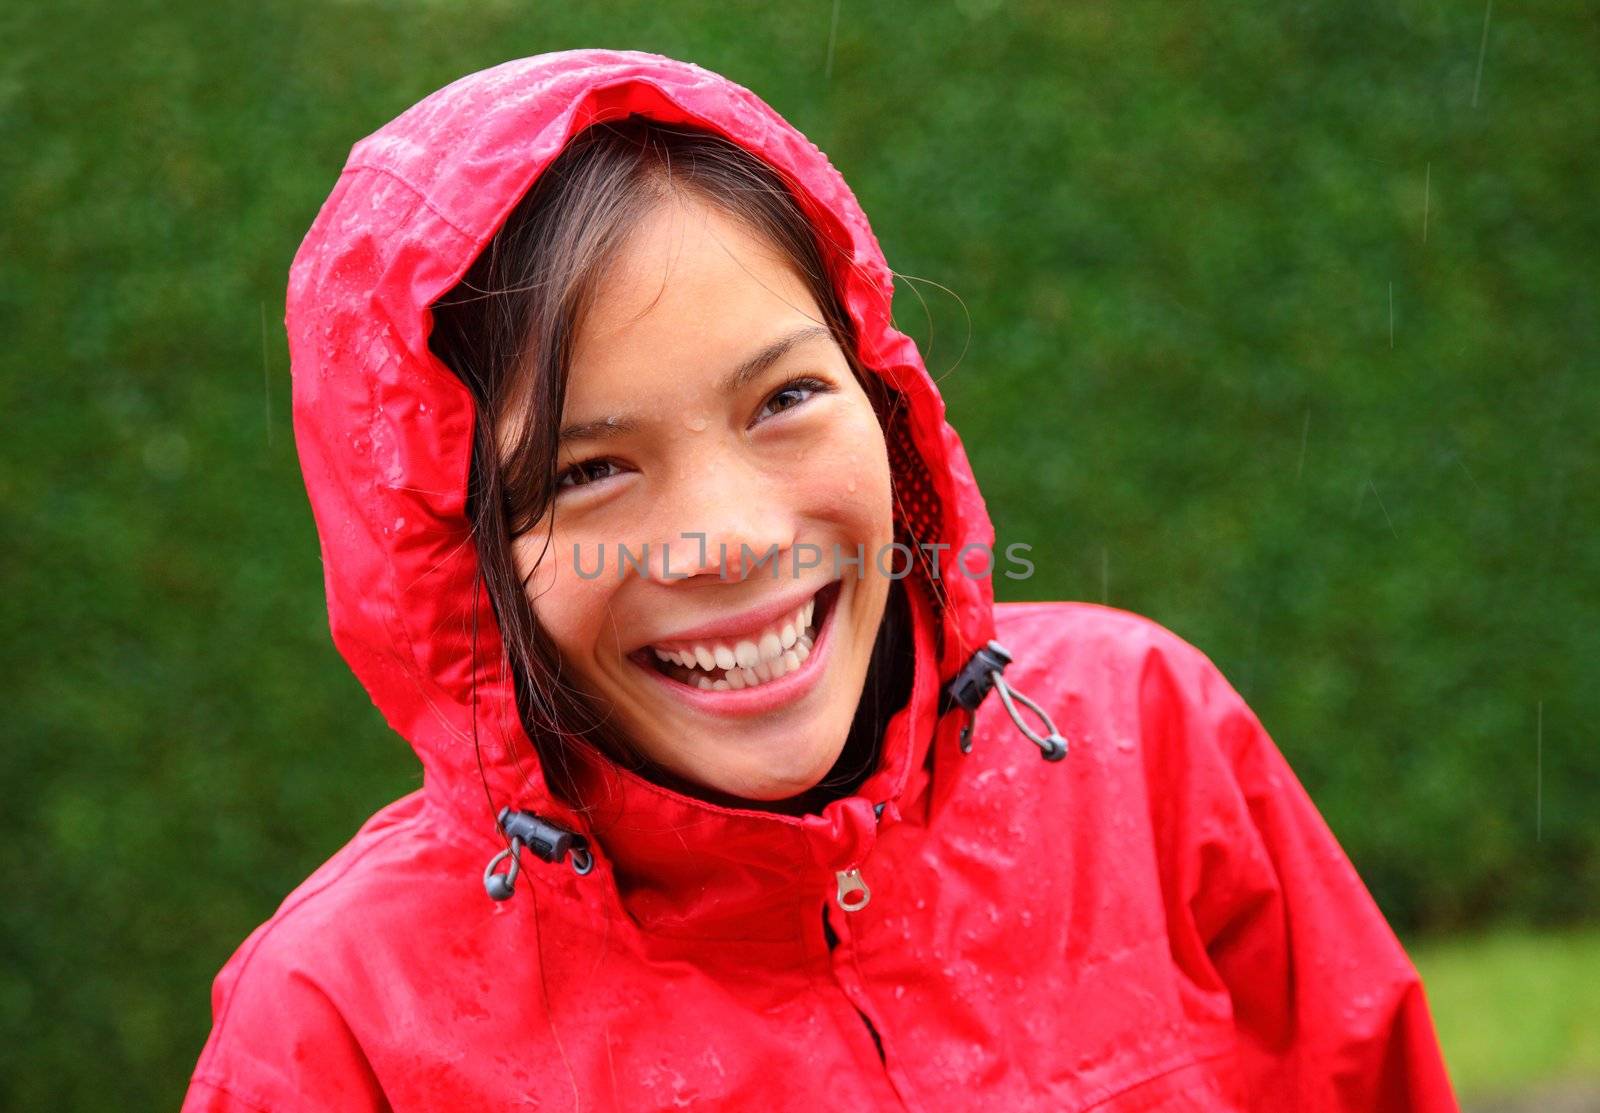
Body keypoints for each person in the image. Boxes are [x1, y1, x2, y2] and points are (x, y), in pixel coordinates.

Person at [182, 49, 1459, 1111]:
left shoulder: (1142, 741)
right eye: (584, 473)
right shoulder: (341, 1030)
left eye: (786, 397)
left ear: (882, 395)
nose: (729, 537)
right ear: (449, 560)